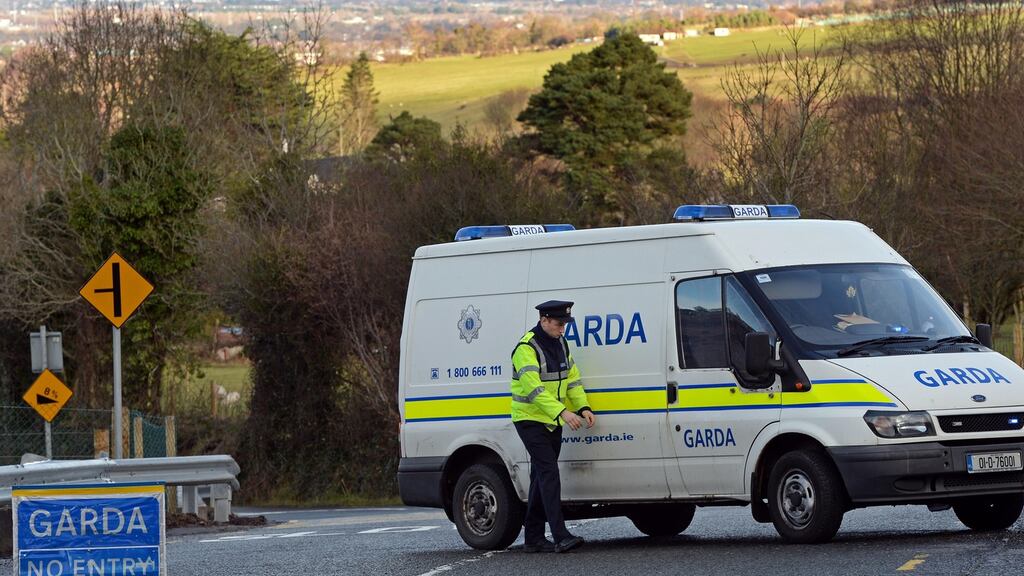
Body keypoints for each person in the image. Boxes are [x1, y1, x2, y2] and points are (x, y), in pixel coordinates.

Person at [510, 300, 596, 553]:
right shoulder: (526, 348)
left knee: (539, 476)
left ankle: (533, 538)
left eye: (565, 325)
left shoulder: (560, 342)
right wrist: (563, 412)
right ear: (544, 320)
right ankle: (560, 535)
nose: (563, 329)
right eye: (559, 324)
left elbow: (572, 379)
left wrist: (583, 407)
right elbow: (534, 390)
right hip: (529, 419)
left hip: (552, 420)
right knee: (549, 473)